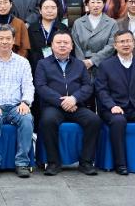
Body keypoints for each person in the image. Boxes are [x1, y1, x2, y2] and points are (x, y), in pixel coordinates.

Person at [33, 30, 101, 176]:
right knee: (47, 121)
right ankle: (53, 163)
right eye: (59, 42)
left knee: (94, 120)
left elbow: (87, 86)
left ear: (71, 46)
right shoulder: (43, 64)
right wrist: (62, 101)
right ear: (52, 45)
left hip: (76, 105)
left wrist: (74, 99)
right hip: (53, 106)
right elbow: (41, 87)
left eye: (66, 42)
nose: (62, 45)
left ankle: (86, 162)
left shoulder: (79, 65)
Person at [94, 30, 135, 175]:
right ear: (115, 45)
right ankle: (120, 164)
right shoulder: (105, 66)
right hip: (113, 108)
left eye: (128, 41)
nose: (126, 44)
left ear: (133, 43)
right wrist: (112, 106)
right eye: (122, 42)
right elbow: (101, 91)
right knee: (118, 121)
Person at [0, 24, 35, 178]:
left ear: (14, 40)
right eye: (1, 38)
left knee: (27, 118)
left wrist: (25, 102)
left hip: (16, 106)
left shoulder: (23, 62)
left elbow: (28, 86)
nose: (4, 42)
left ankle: (22, 163)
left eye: (8, 38)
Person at [71, 0, 117, 71]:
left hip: (104, 64)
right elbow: (76, 45)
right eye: (92, 2)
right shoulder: (78, 23)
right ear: (87, 4)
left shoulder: (112, 23)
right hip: (82, 65)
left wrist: (92, 61)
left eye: (99, 2)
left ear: (104, 4)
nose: (96, 5)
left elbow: (111, 46)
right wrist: (82, 62)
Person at [26, 0, 64, 72]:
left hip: (59, 69)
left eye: (53, 8)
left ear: (57, 9)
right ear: (40, 10)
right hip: (37, 68)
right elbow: (30, 52)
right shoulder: (32, 29)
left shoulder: (63, 28)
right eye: (46, 8)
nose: (50, 11)